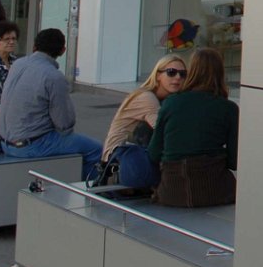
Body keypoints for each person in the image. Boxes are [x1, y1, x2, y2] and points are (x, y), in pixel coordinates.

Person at [0, 28, 103, 180]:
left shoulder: (18, 64)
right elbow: (65, 124)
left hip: (5, 142)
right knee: (95, 149)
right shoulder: (54, 77)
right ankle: (87, 194)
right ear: (62, 51)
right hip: (30, 145)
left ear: (35, 46)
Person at [148, 48, 238, 207]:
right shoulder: (228, 108)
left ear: (192, 71)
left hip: (172, 192)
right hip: (216, 192)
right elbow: (234, 161)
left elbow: (154, 152)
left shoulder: (171, 103)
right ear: (221, 73)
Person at [102, 54, 186, 190]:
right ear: (158, 75)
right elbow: (166, 132)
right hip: (120, 160)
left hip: (135, 155)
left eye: (182, 74)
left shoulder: (167, 100)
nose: (177, 77)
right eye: (171, 72)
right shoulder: (147, 98)